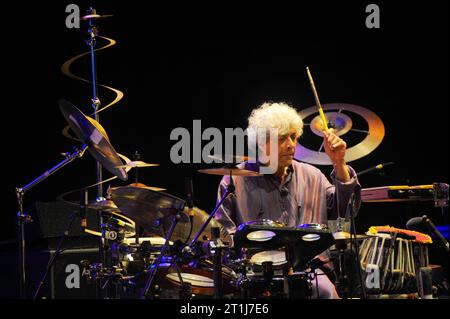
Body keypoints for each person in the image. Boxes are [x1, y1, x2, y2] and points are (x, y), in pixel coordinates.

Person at [214, 102, 361, 299]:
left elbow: (344, 213)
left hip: (307, 270)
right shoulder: (235, 179)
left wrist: (339, 162)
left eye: (293, 137)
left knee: (326, 292)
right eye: (282, 138)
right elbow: (223, 232)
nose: (291, 144)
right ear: (260, 142)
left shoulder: (312, 175)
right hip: (256, 273)